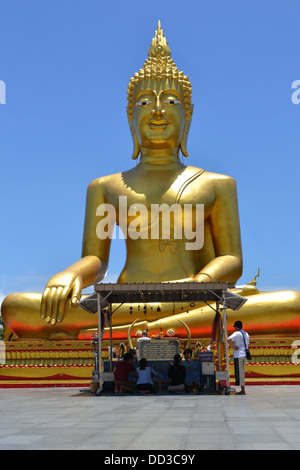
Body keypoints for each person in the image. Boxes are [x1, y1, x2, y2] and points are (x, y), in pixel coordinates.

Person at [2, 22, 300, 342]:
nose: (157, 111)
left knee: (292, 305)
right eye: (144, 102)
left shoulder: (217, 184)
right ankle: (154, 329)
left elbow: (232, 260)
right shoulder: (105, 187)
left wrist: (201, 283)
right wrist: (70, 274)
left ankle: (120, 335)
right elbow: (98, 260)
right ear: (131, 119)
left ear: (189, 116)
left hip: (198, 297)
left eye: (171, 101)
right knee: (16, 307)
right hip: (124, 300)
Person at [228, 320, 250, 395]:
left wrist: (233, 346)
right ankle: (242, 389)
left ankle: (243, 390)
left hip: (238, 355)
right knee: (242, 372)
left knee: (240, 373)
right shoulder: (246, 333)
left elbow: (228, 339)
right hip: (245, 355)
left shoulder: (236, 333)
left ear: (236, 327)